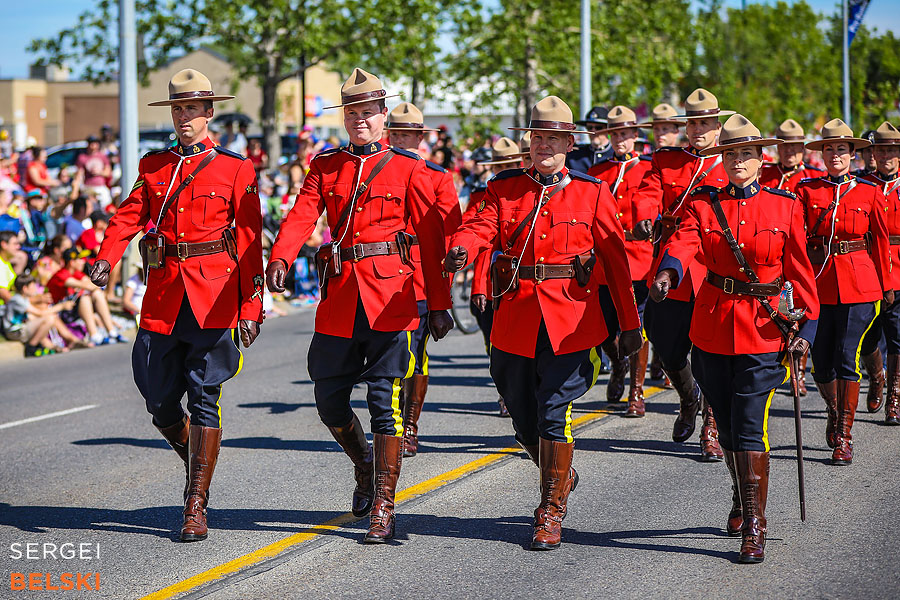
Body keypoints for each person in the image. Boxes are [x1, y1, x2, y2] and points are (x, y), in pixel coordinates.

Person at [445, 96, 643, 550]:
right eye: (538, 138)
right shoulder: (504, 188)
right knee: (520, 415)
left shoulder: (591, 192)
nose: (545, 146)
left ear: (568, 144)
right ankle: (560, 472)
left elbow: (615, 263)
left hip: (571, 319)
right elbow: (479, 226)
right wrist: (463, 247)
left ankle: (550, 509)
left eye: (554, 139)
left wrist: (629, 324)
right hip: (516, 316)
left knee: (555, 412)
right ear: (529, 143)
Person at [265, 68, 453, 544]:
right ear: (344, 118)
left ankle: (384, 506)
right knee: (328, 399)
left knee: (384, 405)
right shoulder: (325, 166)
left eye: (369, 112)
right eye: (353, 113)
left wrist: (440, 301)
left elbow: (431, 241)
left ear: (384, 115)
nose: (361, 120)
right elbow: (300, 216)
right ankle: (365, 464)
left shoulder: (410, 168)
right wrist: (281, 258)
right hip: (342, 296)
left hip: (393, 298)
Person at [89, 68, 265, 542]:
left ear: (209, 113)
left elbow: (249, 242)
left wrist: (251, 306)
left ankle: (195, 502)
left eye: (192, 108)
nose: (184, 116)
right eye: (177, 109)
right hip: (165, 295)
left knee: (205, 394)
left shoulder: (235, 168)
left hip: (214, 297)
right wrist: (105, 258)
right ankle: (198, 458)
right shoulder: (154, 166)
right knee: (158, 398)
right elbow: (127, 218)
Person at [650, 114, 819, 563]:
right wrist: (668, 273)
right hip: (711, 326)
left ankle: (755, 524)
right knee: (725, 427)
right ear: (721, 160)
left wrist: (807, 331)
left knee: (748, 425)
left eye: (746, 154)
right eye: (731, 155)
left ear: (761, 160)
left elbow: (802, 276)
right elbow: (684, 243)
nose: (738, 162)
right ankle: (741, 494)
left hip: (763, 332)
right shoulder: (705, 204)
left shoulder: (784, 206)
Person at [633, 88, 731, 461]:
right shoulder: (668, 160)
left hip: (711, 264)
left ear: (717, 125)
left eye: (706, 123)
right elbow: (648, 190)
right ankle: (688, 396)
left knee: (709, 349)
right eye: (693, 124)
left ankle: (711, 426)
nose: (699, 131)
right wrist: (644, 214)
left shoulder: (729, 162)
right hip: (671, 262)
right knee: (666, 343)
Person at [795, 118, 891, 465]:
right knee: (821, 365)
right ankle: (834, 411)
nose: (835, 154)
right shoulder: (807, 191)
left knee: (847, 357)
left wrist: (887, 285)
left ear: (852, 153)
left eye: (841, 149)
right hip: (819, 285)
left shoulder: (868, 192)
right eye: (829, 149)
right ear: (821, 154)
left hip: (860, 283)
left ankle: (844, 436)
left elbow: (880, 242)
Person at [384, 102, 462, 457]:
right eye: (396, 134)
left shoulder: (438, 176)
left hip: (420, 271)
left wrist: (446, 277)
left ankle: (409, 425)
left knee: (415, 354)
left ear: (420, 138)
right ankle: (390, 423)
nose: (402, 141)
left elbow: (451, 230)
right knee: (388, 354)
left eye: (409, 135)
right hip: (382, 275)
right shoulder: (378, 170)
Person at [587, 106, 654, 414]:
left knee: (636, 325)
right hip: (604, 259)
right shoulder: (597, 172)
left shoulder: (648, 170)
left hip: (638, 257)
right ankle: (617, 363)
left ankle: (636, 392)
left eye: (625, 134)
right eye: (615, 134)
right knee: (603, 328)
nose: (620, 140)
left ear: (635, 136)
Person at [758, 119, 825, 394]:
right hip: (772, 249)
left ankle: (798, 369)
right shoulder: (766, 174)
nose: (790, 152)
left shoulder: (810, 177)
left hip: (800, 251)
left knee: (800, 307)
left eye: (795, 146)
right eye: (785, 146)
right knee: (780, 308)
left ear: (803, 148)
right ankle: (784, 363)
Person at [468, 137, 524, 417]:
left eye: (513, 163)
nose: (507, 169)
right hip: (489, 283)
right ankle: (505, 393)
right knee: (495, 347)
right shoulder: (482, 197)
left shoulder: (530, 194)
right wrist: (478, 287)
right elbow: (475, 243)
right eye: (501, 165)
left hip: (521, 282)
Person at [857, 122, 900, 425]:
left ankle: (894, 398)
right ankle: (877, 376)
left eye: (892, 150)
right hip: (868, 268)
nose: (886, 155)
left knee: (897, 336)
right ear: (873, 152)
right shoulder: (862, 185)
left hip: (899, 268)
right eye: (881, 150)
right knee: (866, 337)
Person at [49, 247, 124, 345]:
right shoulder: (61, 275)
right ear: (72, 262)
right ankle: (94, 335)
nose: (83, 262)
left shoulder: (76, 273)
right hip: (60, 311)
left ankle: (111, 331)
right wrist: (90, 286)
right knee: (85, 297)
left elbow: (93, 286)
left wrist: (92, 286)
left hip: (71, 308)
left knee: (97, 294)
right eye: (80, 259)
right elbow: (86, 285)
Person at [566, 106, 613, 172]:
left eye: (598, 128)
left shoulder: (614, 155)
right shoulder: (574, 156)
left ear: (608, 130)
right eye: (589, 127)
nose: (593, 131)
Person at [72, 135, 113, 208]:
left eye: (95, 143)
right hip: (88, 186)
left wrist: (99, 172)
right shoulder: (82, 157)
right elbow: (79, 174)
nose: (93, 145)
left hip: (101, 187)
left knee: (106, 204)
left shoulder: (102, 156)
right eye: (91, 143)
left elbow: (108, 172)